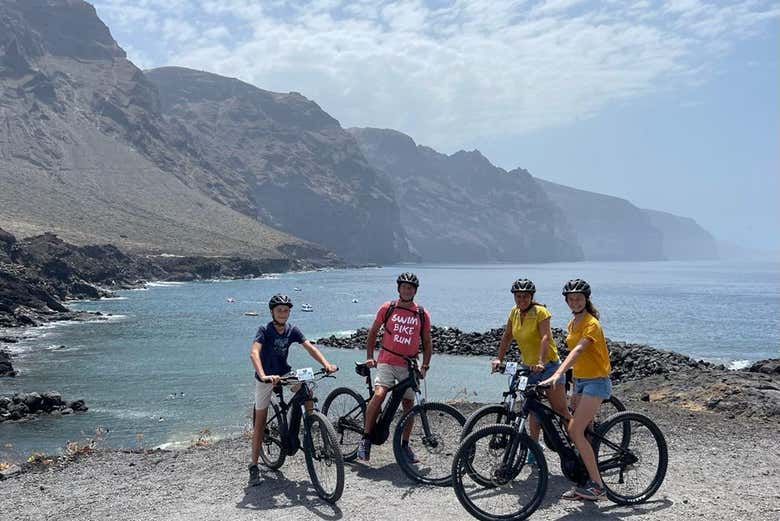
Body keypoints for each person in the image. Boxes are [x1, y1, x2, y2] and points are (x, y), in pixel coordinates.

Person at [248, 294, 337, 486]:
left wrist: (326, 363)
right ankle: (254, 465)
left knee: (306, 391)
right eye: (279, 310)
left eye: (286, 310)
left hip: (285, 374)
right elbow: (254, 353)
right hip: (266, 378)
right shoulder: (264, 330)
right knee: (260, 423)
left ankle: (311, 425)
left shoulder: (292, 330)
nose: (283, 313)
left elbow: (309, 347)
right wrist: (264, 375)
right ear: (272, 312)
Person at [539, 279, 612, 501]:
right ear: (567, 301)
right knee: (572, 426)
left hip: (596, 382)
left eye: (579, 298)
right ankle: (586, 476)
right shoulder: (572, 323)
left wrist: (556, 374)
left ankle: (598, 487)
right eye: (571, 299)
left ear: (586, 299)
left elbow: (579, 351)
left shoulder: (592, 324)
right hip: (579, 381)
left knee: (575, 431)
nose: (575, 301)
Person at [356, 272, 432, 464]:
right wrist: (369, 357)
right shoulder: (388, 308)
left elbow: (427, 341)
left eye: (411, 288)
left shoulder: (421, 314)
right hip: (387, 361)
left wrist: (425, 365)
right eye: (404, 287)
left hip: (409, 365)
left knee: (408, 405)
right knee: (380, 394)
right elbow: (373, 332)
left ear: (415, 291)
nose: (407, 290)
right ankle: (365, 439)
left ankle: (404, 445)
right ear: (399, 289)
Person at [492, 278, 569, 463]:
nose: (521, 300)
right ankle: (533, 450)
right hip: (528, 367)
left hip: (549, 366)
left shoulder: (541, 312)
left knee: (560, 409)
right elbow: (507, 336)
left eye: (525, 296)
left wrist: (541, 361)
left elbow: (545, 337)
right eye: (518, 296)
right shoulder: (514, 312)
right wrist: (498, 358)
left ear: (531, 296)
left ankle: (577, 443)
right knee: (533, 410)